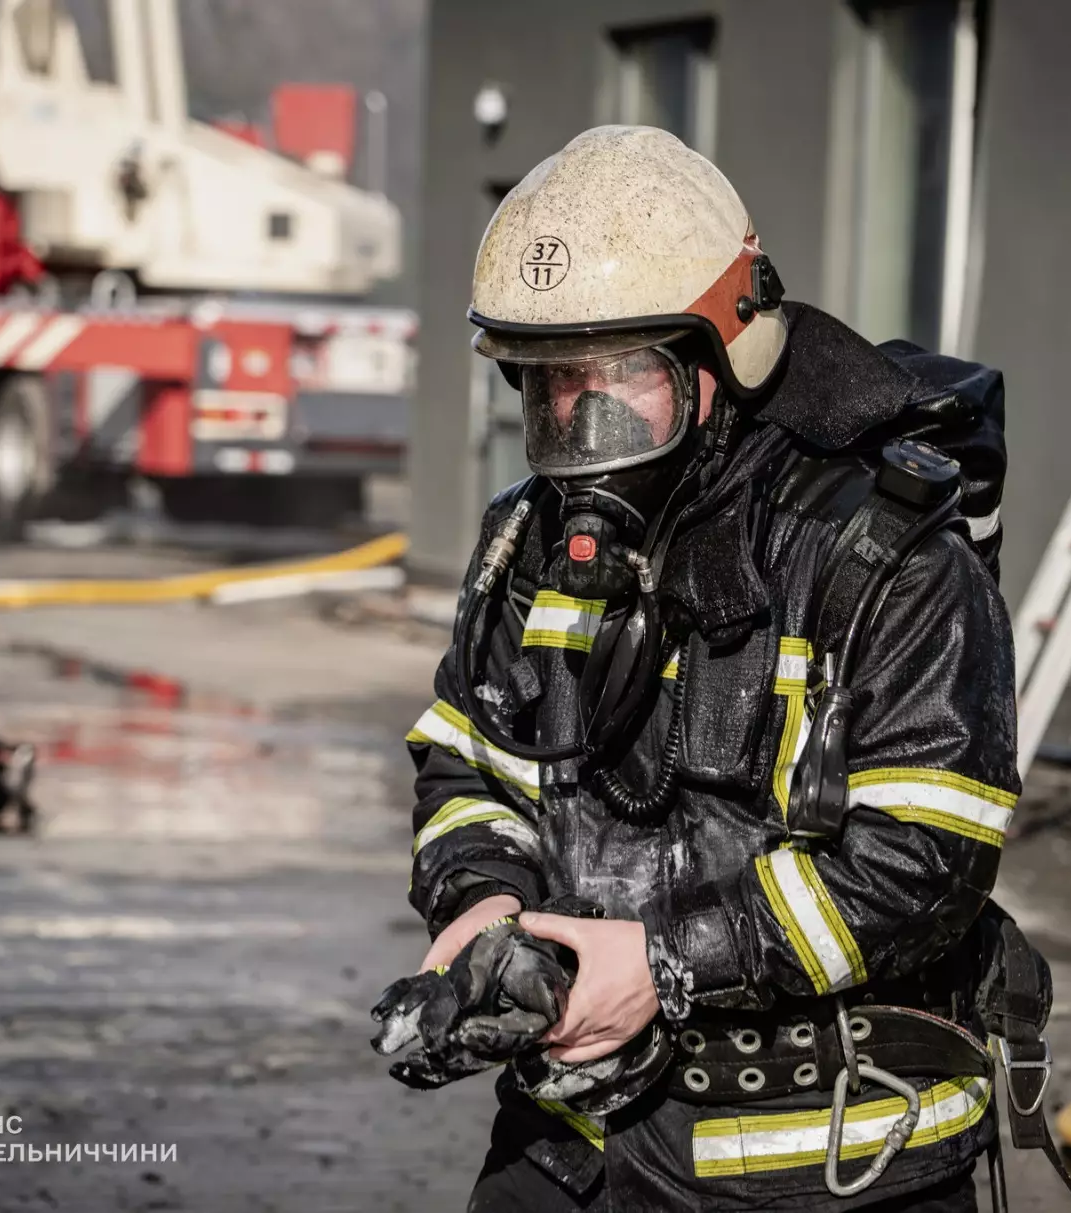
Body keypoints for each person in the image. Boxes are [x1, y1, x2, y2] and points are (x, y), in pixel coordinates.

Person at [377, 125, 1035, 1212]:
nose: (574, 425)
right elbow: (468, 763)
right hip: (573, 1145)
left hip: (829, 1158)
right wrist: (481, 911)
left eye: (616, 380)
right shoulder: (525, 541)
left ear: (724, 356)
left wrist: (666, 960)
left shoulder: (888, 557)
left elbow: (924, 862)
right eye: (545, 387)